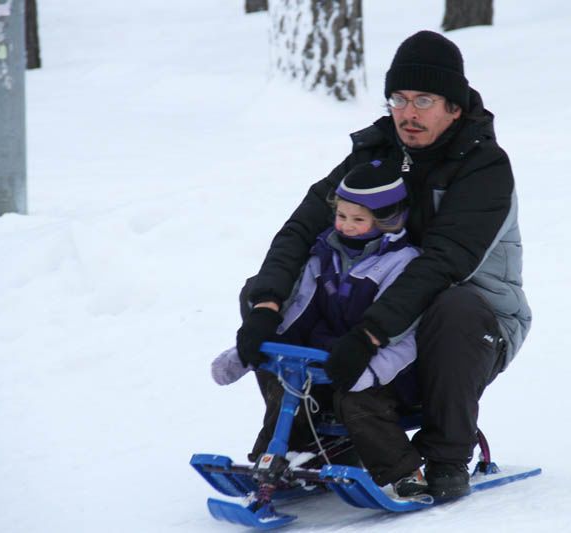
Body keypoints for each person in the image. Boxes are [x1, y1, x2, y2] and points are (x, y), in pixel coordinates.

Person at [234, 30, 532, 499]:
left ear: (454, 108)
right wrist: (266, 305)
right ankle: (312, 437)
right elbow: (301, 229)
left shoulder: (484, 168)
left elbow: (442, 264)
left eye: (424, 100)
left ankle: (444, 456)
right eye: (398, 98)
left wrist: (370, 334)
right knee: (266, 289)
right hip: (380, 307)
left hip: (474, 322)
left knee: (451, 306)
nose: (407, 113)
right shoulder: (376, 153)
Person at [212, 159, 428, 496]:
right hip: (327, 358)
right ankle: (276, 460)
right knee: (290, 387)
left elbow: (406, 339)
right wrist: (258, 348)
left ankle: (405, 473)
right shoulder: (324, 254)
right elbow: (300, 311)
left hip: (385, 369)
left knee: (355, 401)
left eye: (358, 219)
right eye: (341, 216)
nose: (347, 226)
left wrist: (367, 372)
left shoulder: (403, 264)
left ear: (387, 220)